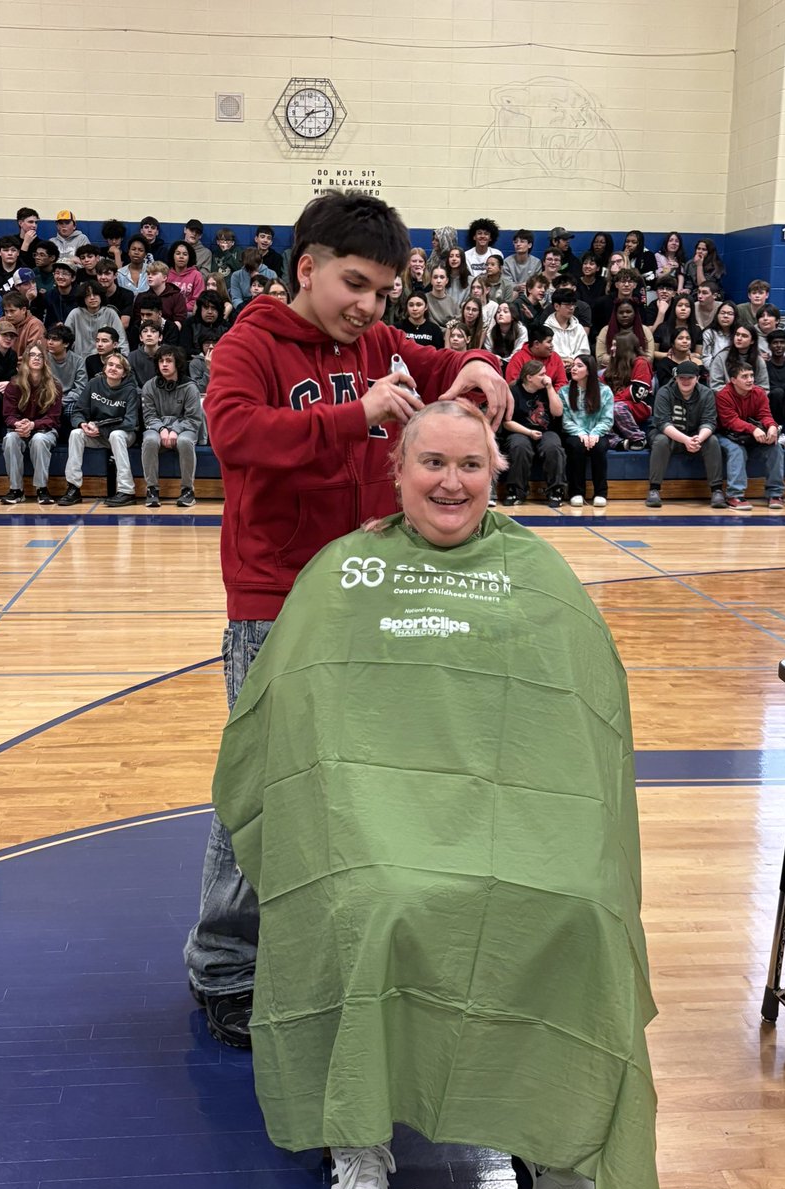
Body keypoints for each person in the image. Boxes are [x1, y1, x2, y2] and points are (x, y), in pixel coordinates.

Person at [212, 399, 659, 1189]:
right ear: (396, 471)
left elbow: (586, 720)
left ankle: (557, 1139)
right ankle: (357, 1141)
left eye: (470, 465)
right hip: (373, 820)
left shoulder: (540, 577)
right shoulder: (348, 569)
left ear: (497, 474)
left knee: (579, 908)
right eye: (432, 463)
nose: (451, 482)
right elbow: (294, 719)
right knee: (364, 900)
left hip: (520, 820)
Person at [183, 188, 512, 1050]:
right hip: (276, 601)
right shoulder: (248, 345)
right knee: (260, 784)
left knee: (359, 775)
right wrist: (354, 416)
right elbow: (236, 436)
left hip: (368, 591)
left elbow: (436, 366)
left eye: (381, 291)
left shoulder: (374, 341)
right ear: (308, 267)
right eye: (354, 283)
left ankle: (335, 936)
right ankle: (222, 964)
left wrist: (476, 364)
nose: (366, 305)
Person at [58, 351, 140, 507]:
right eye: (110, 364)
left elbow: (130, 422)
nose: (113, 368)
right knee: (76, 434)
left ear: (124, 373)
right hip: (98, 435)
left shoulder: (130, 391)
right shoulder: (93, 384)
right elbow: (78, 411)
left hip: (124, 435)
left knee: (116, 435)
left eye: (118, 367)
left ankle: (126, 490)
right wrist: (82, 424)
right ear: (104, 368)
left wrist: (101, 429)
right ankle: (73, 488)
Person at [645, 361, 725, 508]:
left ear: (697, 378)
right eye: (682, 377)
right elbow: (663, 423)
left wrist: (697, 439)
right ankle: (654, 489)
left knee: (712, 440)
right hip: (668, 435)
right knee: (661, 440)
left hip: (695, 436)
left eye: (690, 377)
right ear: (676, 378)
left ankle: (717, 491)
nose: (685, 381)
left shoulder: (706, 393)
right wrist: (686, 440)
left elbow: (709, 422)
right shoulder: (664, 392)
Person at [140, 344, 202, 508]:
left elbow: (193, 418)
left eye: (169, 361)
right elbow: (149, 416)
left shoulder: (190, 387)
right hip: (157, 428)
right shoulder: (149, 386)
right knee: (150, 441)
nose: (164, 365)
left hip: (184, 428)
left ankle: (188, 490)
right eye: (161, 361)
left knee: (184, 442)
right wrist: (161, 429)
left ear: (178, 364)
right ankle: (152, 489)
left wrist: (175, 430)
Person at [715, 364, 784, 511]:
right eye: (744, 376)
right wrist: (753, 429)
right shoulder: (723, 395)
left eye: (751, 376)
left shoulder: (759, 393)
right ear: (733, 380)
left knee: (775, 447)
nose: (750, 380)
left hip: (750, 436)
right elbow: (730, 421)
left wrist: (772, 426)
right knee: (737, 450)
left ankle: (775, 493)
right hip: (726, 434)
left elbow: (765, 415)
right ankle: (735, 495)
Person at [0, 341, 62, 505]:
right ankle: (16, 490)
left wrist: (33, 425)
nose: (36, 358)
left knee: (39, 440)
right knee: (10, 439)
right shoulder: (14, 384)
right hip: (19, 429)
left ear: (45, 361)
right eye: (32, 355)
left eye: (40, 356)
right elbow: (8, 415)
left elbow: (53, 417)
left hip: (45, 430)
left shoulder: (54, 385)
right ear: (26, 359)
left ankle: (42, 488)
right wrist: (19, 425)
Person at [504, 359, 566, 506]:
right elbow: (506, 422)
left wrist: (550, 388)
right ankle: (516, 491)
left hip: (546, 431)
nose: (546, 377)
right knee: (519, 447)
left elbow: (558, 412)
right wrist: (529, 432)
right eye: (542, 374)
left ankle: (556, 491)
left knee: (553, 447)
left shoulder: (546, 389)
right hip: (520, 430)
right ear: (529, 377)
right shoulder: (513, 392)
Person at [559, 353, 613, 507]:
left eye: (579, 366)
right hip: (574, 433)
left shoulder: (605, 391)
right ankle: (576, 492)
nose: (573, 369)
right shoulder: (564, 391)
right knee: (576, 446)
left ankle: (600, 493)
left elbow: (607, 419)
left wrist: (595, 433)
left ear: (589, 370)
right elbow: (565, 420)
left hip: (597, 432)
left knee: (600, 447)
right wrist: (581, 433)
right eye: (573, 365)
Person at [603, 330, 653, 450]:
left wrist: (611, 400)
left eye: (615, 345)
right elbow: (602, 387)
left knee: (616, 407)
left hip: (640, 405)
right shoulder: (613, 364)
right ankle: (618, 442)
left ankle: (638, 438)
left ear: (624, 347)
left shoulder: (641, 363)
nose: (612, 348)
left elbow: (637, 393)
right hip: (616, 402)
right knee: (596, 409)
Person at [45, 323, 87, 438]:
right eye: (48, 338)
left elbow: (80, 387)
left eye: (55, 339)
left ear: (66, 343)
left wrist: (63, 401)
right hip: (49, 399)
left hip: (70, 399)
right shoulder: (43, 359)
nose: (50, 342)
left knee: (72, 411)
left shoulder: (78, 361)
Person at [65, 282, 126, 357]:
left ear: (101, 296)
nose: (92, 298)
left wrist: (122, 359)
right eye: (88, 295)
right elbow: (65, 340)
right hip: (79, 360)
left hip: (106, 360)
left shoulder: (110, 313)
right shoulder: (75, 314)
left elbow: (122, 340)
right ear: (83, 298)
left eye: (95, 294)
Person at [708, 324, 770, 392]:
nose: (739, 338)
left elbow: (764, 387)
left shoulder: (758, 360)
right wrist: (736, 395)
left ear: (752, 341)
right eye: (737, 334)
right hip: (727, 399)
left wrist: (748, 397)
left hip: (751, 399)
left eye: (744, 336)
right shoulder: (721, 357)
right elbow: (715, 385)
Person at [505, 324, 566, 392]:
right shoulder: (518, 358)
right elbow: (513, 385)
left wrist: (552, 396)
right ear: (536, 344)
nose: (552, 345)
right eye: (549, 342)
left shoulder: (555, 357)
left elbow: (562, 383)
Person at [595, 299, 654, 367]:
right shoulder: (605, 330)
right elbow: (600, 357)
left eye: (628, 312)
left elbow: (649, 358)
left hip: (638, 368)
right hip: (612, 370)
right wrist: (626, 361)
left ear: (635, 313)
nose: (625, 315)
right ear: (616, 314)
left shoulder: (645, 330)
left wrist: (623, 360)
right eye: (621, 312)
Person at [544, 286, 588, 370]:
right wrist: (561, 361)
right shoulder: (546, 328)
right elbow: (546, 352)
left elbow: (584, 350)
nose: (571, 308)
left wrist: (572, 360)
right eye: (567, 304)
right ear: (557, 306)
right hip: (554, 368)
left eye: (573, 304)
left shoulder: (578, 328)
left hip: (576, 367)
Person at [2, 289, 46, 355]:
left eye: (12, 311)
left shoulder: (35, 325)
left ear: (23, 310)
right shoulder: (1, 322)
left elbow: (33, 355)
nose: (8, 315)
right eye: (6, 311)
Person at [167, 240, 206, 315]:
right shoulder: (167, 274)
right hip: (169, 312)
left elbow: (197, 300)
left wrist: (179, 308)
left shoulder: (197, 275)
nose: (181, 256)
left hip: (188, 313)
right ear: (173, 256)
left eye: (185, 254)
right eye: (178, 253)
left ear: (189, 257)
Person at [502, 228, 541, 296]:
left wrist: (527, 286)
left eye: (522, 241)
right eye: (516, 242)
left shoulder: (536, 262)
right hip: (512, 293)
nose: (518, 244)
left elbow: (537, 282)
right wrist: (518, 286)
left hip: (530, 293)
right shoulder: (507, 262)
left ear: (529, 245)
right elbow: (506, 283)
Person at [702, 300, 737, 369]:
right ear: (717, 315)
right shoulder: (709, 333)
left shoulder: (738, 333)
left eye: (730, 313)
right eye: (722, 313)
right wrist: (717, 371)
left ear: (735, 316)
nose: (725, 316)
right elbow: (706, 358)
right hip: (714, 370)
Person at [45, 259, 79, 326]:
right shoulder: (50, 295)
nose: (60, 277)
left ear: (73, 278)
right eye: (57, 273)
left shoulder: (81, 295)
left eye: (65, 273)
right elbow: (48, 321)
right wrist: (54, 325)